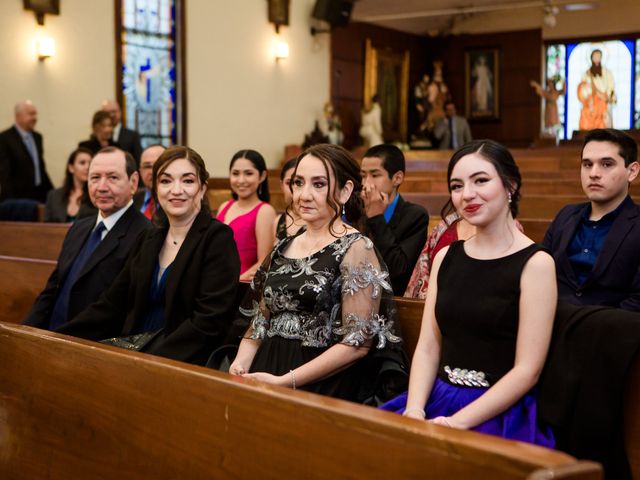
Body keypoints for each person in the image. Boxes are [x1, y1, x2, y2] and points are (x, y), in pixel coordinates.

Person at [382, 140, 557, 447]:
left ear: (510, 186)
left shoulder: (537, 264)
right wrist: (414, 409)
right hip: (437, 395)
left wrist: (455, 422)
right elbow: (428, 346)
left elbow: (527, 370)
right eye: (457, 185)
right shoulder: (446, 257)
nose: (467, 195)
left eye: (481, 180)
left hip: (499, 408)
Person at [229, 144, 403, 403]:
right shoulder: (285, 245)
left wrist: (286, 381)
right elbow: (260, 321)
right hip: (267, 369)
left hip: (319, 382)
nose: (304, 194)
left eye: (319, 184)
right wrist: (240, 366)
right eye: (299, 183)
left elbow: (356, 344)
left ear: (345, 191)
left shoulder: (356, 248)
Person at [56, 146, 241, 365]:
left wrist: (149, 361)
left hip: (184, 360)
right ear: (155, 189)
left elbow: (209, 321)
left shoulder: (217, 239)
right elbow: (113, 302)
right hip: (135, 349)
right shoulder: (150, 238)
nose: (176, 190)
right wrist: (59, 337)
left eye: (188, 181)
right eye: (165, 181)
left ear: (202, 189)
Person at [24, 147, 150, 329]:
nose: (102, 187)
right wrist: (25, 331)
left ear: (133, 182)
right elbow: (53, 288)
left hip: (89, 346)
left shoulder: (145, 235)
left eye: (113, 177)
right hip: (50, 339)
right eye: (95, 178)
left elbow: (115, 308)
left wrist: (59, 338)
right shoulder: (79, 227)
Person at [542, 128, 640, 311]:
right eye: (587, 164)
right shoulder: (565, 216)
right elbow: (539, 272)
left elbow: (637, 302)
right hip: (552, 324)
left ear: (632, 171)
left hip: (611, 332)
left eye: (606, 164)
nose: (594, 173)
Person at [360, 144, 429, 295]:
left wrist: (376, 217)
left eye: (375, 175)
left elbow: (398, 272)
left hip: (393, 300)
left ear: (397, 178)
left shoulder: (415, 216)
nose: (366, 184)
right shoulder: (357, 211)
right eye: (363, 175)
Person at [216, 149, 276, 281]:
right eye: (235, 173)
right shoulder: (224, 206)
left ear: (262, 176)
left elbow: (264, 264)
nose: (241, 180)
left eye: (248, 173)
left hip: (241, 286)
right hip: (215, 283)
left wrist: (234, 284)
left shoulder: (265, 211)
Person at [0, 100, 53, 202]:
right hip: (17, 198)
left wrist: (53, 194)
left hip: (38, 195)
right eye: (31, 114)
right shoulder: (4, 138)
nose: (35, 118)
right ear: (18, 116)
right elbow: (4, 173)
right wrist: (10, 202)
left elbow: (40, 168)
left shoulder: (38, 137)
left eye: (35, 114)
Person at [44, 147, 97, 222]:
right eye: (82, 163)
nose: (87, 167)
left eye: (90, 163)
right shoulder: (53, 195)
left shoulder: (96, 194)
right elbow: (47, 227)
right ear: (71, 168)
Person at [578, 49, 616, 130]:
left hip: (603, 100)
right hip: (591, 101)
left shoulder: (607, 73)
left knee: (604, 116)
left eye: (598, 56)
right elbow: (583, 88)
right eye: (595, 56)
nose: (596, 58)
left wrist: (606, 96)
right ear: (591, 58)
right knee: (586, 113)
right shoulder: (586, 74)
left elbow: (611, 88)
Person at [273, 158, 304, 241]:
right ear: (281, 186)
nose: (294, 189)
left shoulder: (320, 223)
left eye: (299, 183)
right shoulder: (278, 221)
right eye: (289, 183)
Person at [133, 144, 166, 220]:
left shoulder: (178, 200)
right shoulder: (130, 199)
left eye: (159, 165)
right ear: (140, 172)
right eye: (147, 166)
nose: (153, 171)